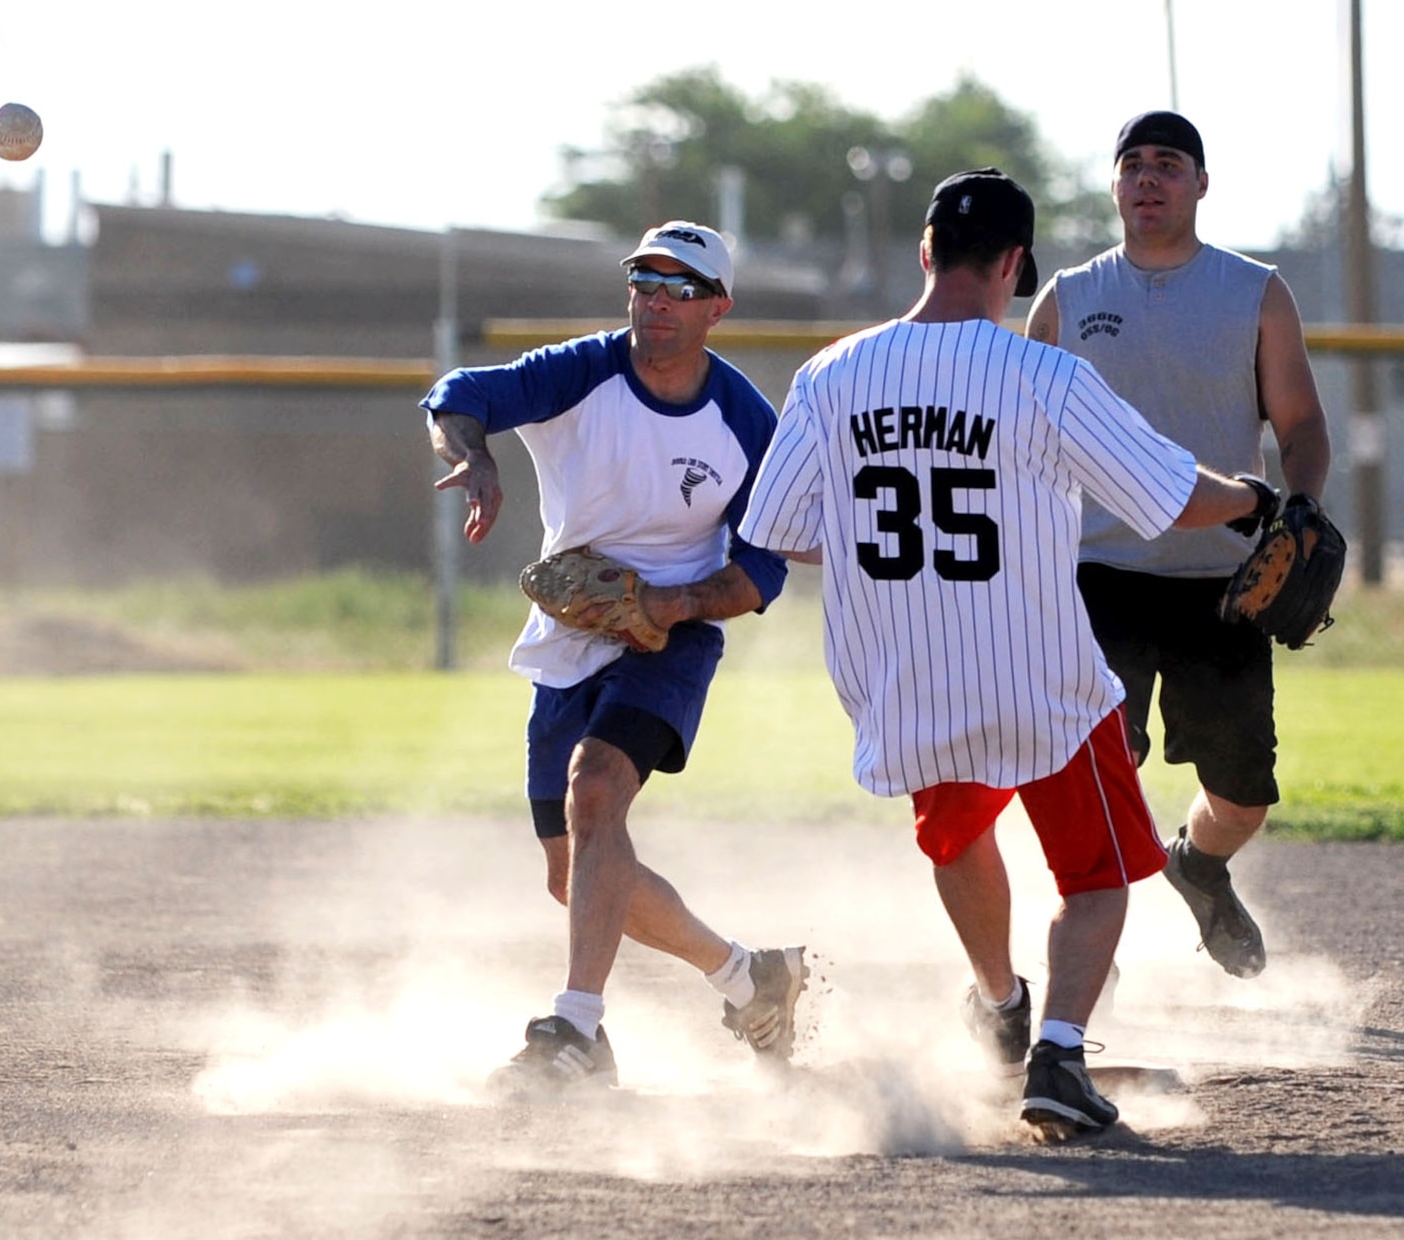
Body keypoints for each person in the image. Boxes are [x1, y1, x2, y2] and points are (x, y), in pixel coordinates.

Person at [737, 169, 1280, 1139]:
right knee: (1098, 876)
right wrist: (1255, 498)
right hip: (1038, 676)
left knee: (956, 833)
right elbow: (1165, 493)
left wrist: (869, 537)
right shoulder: (1041, 374)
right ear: (1014, 266)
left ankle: (996, 1003)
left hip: (903, 677)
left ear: (923, 254)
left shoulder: (830, 373)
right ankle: (1058, 1056)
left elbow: (777, 525)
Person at [421, 221, 805, 1097]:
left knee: (596, 792)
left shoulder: (744, 421)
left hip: (671, 640)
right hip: (570, 635)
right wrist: (474, 455)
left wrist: (679, 603)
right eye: (645, 280)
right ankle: (750, 979)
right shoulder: (583, 371)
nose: (658, 300)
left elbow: (764, 566)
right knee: (575, 874)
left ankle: (577, 1033)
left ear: (718, 307)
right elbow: (458, 394)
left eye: (681, 287)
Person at [1026, 112, 1334, 979]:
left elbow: (1303, 425)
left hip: (1222, 580)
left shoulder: (1254, 290)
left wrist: (1299, 510)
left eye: (1169, 164)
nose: (1149, 179)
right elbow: (1021, 442)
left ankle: (1197, 866)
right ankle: (1089, 944)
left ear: (1201, 184)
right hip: (1098, 578)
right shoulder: (1071, 298)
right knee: (1093, 772)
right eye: (1133, 165)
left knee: (1240, 799)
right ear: (1114, 185)